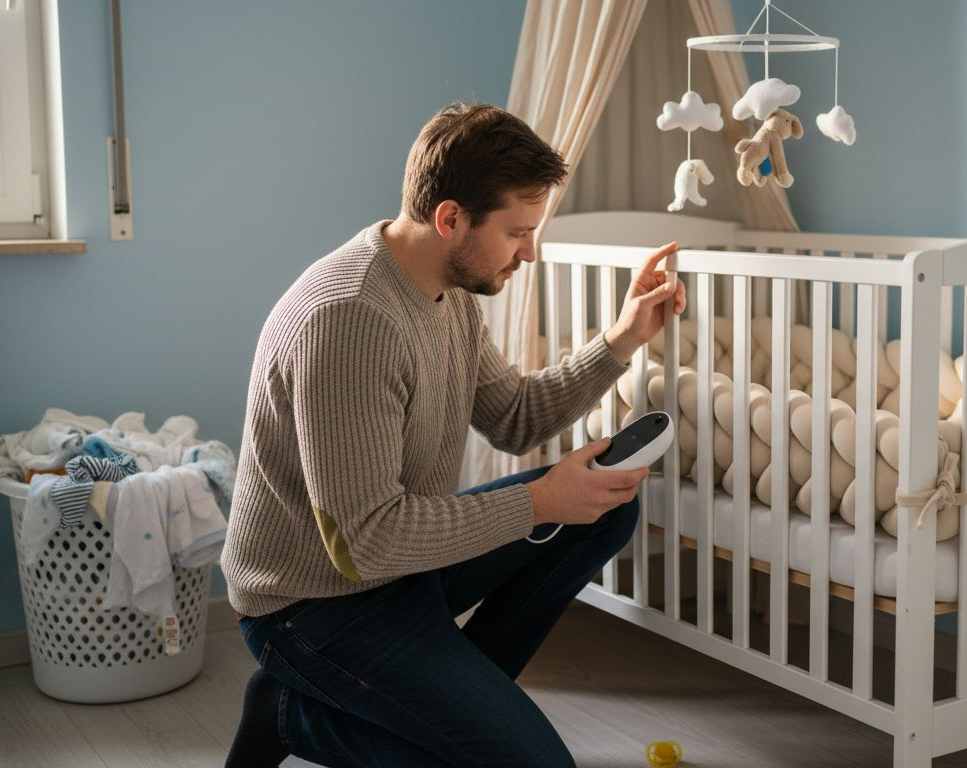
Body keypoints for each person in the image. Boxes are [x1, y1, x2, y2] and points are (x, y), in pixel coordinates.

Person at [219, 102, 686, 767]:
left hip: (396, 572)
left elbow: (514, 418)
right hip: (314, 603)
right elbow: (365, 543)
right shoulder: (352, 321)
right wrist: (541, 502)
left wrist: (624, 337)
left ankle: (442, 699)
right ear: (450, 219)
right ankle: (293, 714)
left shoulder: (449, 287)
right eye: (518, 232)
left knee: (605, 508)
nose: (529, 252)